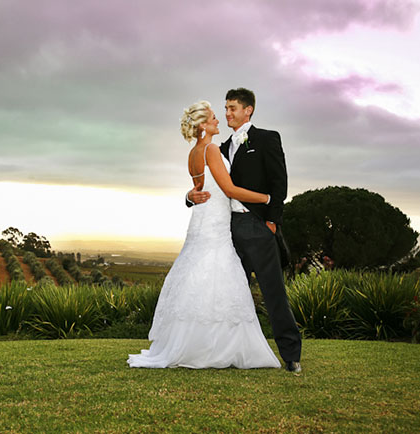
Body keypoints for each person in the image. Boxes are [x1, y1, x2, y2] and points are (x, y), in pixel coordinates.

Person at [127, 100, 281, 369]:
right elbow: (229, 190)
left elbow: (198, 189)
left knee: (199, 274)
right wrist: (267, 198)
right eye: (212, 118)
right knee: (216, 274)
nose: (218, 120)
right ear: (202, 126)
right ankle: (214, 347)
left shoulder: (193, 153)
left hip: (202, 220)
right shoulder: (210, 149)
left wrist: (190, 196)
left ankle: (197, 343)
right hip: (214, 222)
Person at [187, 88, 302, 373]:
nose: (227, 113)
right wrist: (189, 197)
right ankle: (226, 351)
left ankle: (291, 355)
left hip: (257, 225)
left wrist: (271, 221)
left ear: (248, 110)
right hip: (226, 230)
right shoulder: (220, 147)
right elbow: (208, 185)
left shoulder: (267, 138)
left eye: (232, 108)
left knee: (273, 292)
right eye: (225, 108)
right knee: (229, 293)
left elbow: (279, 183)